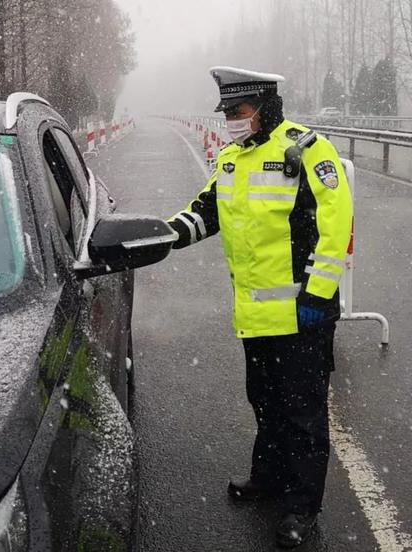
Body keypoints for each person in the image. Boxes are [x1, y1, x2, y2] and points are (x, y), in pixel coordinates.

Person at [167, 67, 353, 548]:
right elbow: (207, 211)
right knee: (266, 403)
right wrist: (162, 236)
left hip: (302, 314)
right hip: (254, 317)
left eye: (238, 111)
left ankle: (300, 507)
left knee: (303, 416)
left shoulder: (306, 150)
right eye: (227, 113)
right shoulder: (231, 158)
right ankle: (268, 479)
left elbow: (336, 223)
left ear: (264, 108)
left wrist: (319, 292)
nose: (231, 120)